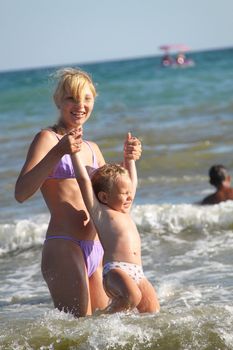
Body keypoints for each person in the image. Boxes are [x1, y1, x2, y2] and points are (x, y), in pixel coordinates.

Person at [14, 68, 142, 317]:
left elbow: (114, 202)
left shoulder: (92, 148)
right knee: (79, 328)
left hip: (97, 247)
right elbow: (21, 192)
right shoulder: (47, 138)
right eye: (71, 98)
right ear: (58, 102)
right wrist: (57, 152)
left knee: (102, 329)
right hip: (64, 244)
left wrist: (129, 161)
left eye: (87, 99)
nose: (80, 105)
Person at [71, 130, 160, 313]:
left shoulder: (124, 209)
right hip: (115, 271)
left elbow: (132, 182)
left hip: (138, 272)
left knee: (153, 312)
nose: (129, 197)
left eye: (129, 193)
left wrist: (130, 159)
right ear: (104, 196)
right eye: (123, 193)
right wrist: (73, 154)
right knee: (132, 297)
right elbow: (83, 181)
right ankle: (102, 322)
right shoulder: (100, 212)